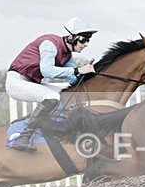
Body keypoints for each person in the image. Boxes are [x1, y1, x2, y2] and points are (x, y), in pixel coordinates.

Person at [6, 17, 97, 152]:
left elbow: (72, 79)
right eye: (83, 40)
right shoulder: (49, 43)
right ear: (71, 37)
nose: (86, 44)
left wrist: (88, 77)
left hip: (32, 82)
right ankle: (23, 138)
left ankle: (52, 126)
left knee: (65, 93)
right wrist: (78, 70)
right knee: (52, 96)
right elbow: (47, 70)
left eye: (88, 40)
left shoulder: (67, 55)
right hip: (17, 82)